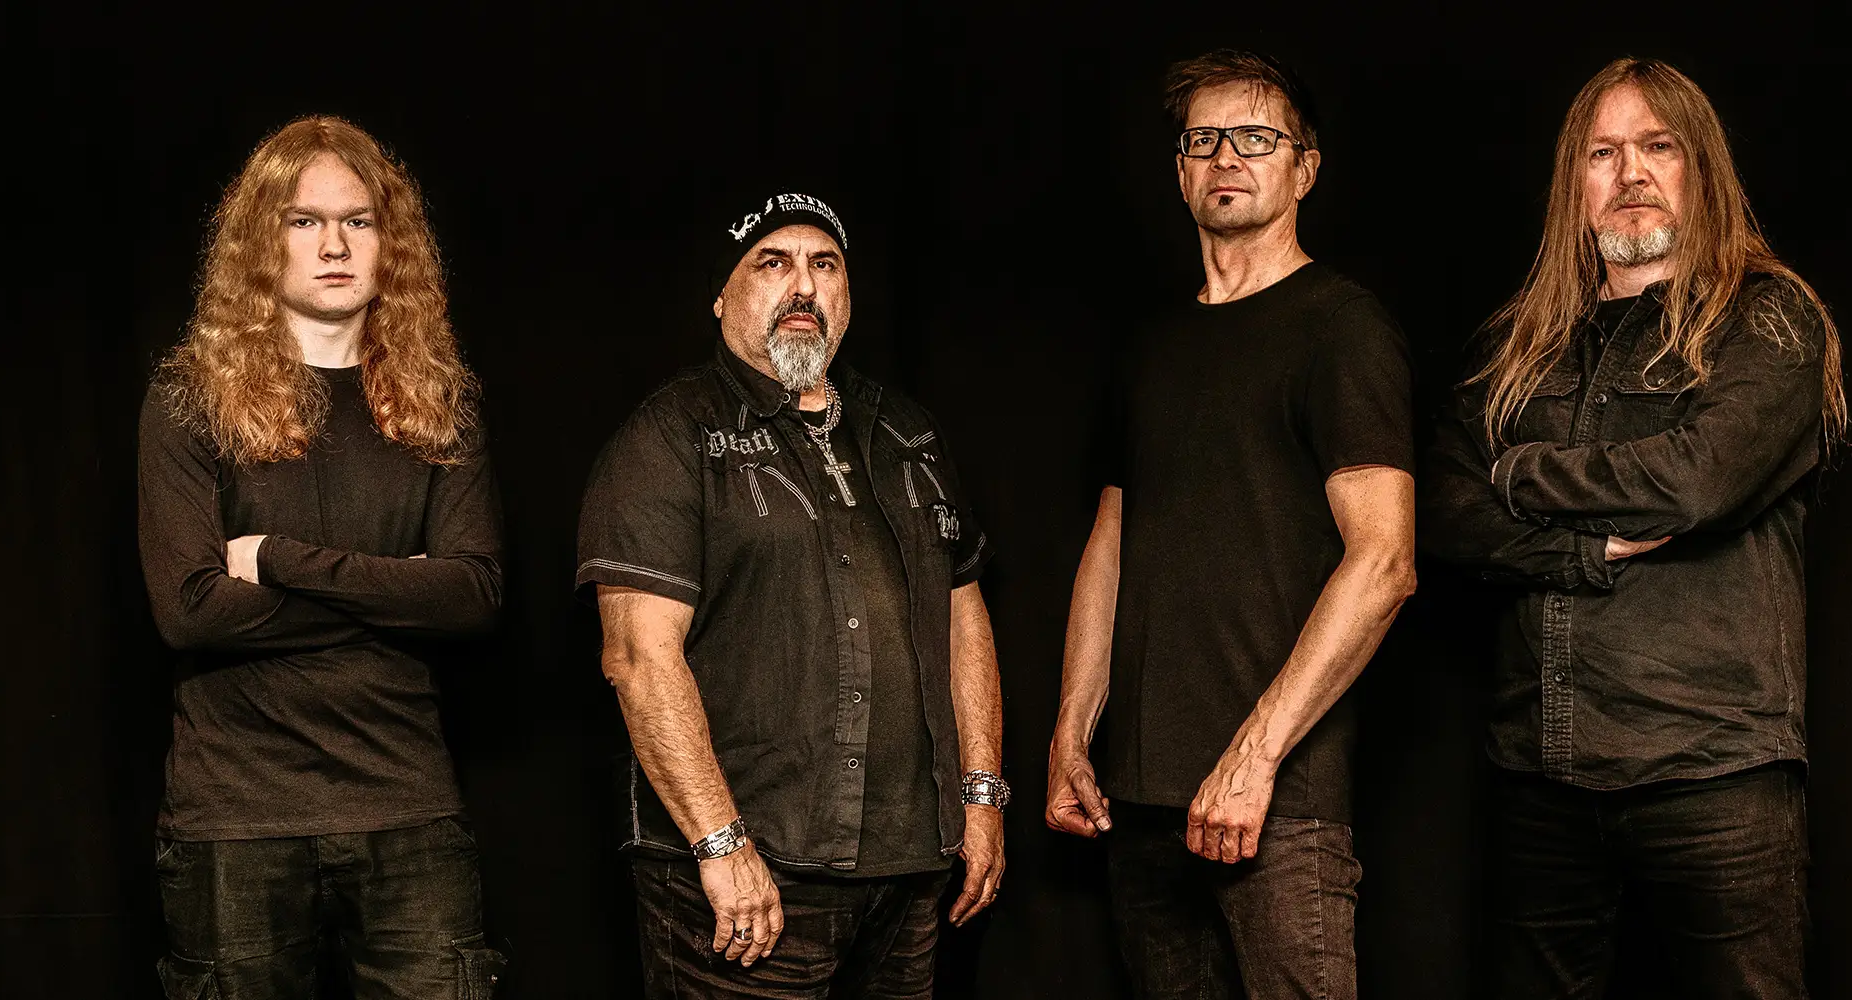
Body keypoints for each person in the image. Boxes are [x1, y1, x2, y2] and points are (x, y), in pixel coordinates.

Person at [1420, 57, 1848, 999]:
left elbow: (1694, 480)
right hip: (1538, 771)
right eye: (1603, 153)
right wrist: (1579, 548)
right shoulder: (1514, 346)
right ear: (1573, 185)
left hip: (1713, 769)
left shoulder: (1768, 317)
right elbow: (1442, 514)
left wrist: (1517, 471)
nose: (1632, 173)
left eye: (1658, 146)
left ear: (1702, 168)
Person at [1046, 50, 1417, 1000]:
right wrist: (1071, 734)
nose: (1226, 157)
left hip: (1278, 803)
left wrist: (1254, 760)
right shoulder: (1151, 348)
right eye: (1202, 140)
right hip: (1136, 802)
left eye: (1255, 137)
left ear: (1304, 168)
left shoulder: (1341, 327)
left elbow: (1384, 563)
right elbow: (1110, 548)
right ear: (1178, 172)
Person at [576, 190, 1007, 999]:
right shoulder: (668, 435)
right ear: (721, 295)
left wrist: (981, 797)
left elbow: (962, 614)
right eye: (771, 263)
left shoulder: (908, 431)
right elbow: (637, 657)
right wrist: (721, 844)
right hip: (748, 877)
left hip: (912, 866)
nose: (803, 285)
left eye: (824, 265)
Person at [137, 116, 507, 998]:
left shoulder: (440, 404)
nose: (334, 245)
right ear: (260, 243)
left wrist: (277, 558)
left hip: (408, 809)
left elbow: (472, 597)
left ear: (391, 242)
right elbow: (190, 611)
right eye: (303, 221)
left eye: (358, 221)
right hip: (236, 820)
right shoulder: (190, 399)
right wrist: (399, 587)